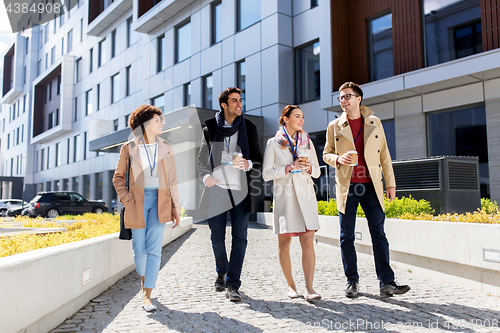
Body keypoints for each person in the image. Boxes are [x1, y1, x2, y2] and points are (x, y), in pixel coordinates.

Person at [323, 82, 410, 298]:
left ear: (359, 99)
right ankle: (352, 281)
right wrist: (338, 158)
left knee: (378, 234)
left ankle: (387, 282)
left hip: (372, 186)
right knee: (346, 237)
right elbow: (326, 154)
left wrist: (390, 183)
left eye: (348, 96)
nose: (344, 100)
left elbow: (385, 155)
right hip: (347, 187)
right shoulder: (334, 126)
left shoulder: (374, 122)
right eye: (341, 97)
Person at [196, 87, 263, 301]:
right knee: (217, 237)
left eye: (240, 100)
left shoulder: (249, 127)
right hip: (216, 191)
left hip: (240, 192)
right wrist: (206, 177)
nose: (239, 104)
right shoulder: (210, 128)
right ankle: (221, 272)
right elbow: (200, 161)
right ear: (224, 105)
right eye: (234, 100)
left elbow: (259, 160)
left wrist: (248, 163)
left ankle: (233, 283)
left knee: (240, 239)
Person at [113, 105, 181, 311]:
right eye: (157, 120)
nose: (161, 123)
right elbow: (117, 177)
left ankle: (147, 294)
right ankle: (144, 280)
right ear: (144, 124)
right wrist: (127, 198)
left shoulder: (166, 146)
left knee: (154, 250)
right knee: (138, 249)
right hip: (137, 201)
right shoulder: (129, 147)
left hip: (160, 201)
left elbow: (173, 179)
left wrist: (176, 207)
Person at [262, 105, 322, 301]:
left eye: (303, 116)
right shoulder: (273, 143)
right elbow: (266, 174)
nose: (302, 120)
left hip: (305, 196)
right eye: (297, 116)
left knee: (307, 242)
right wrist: (288, 167)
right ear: (285, 119)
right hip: (286, 197)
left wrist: (309, 168)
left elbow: (318, 171)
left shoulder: (307, 142)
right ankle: (291, 285)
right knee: (285, 243)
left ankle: (310, 288)